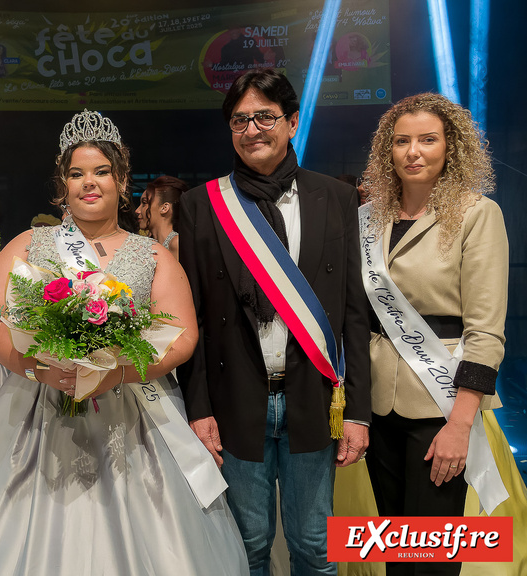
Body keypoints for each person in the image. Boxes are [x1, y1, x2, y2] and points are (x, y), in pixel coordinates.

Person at [0, 109, 249, 575]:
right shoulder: (29, 244)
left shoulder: (151, 254)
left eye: (101, 172)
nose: (89, 183)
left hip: (134, 411)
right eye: (77, 174)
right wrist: (40, 369)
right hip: (39, 408)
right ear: (63, 185)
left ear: (121, 180)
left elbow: (182, 334)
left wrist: (118, 371)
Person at [177, 68, 371, 575]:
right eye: (240, 120)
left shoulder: (336, 198)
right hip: (234, 401)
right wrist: (198, 409)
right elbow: (194, 318)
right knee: (247, 547)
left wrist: (358, 412)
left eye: (265, 116)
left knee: (315, 547)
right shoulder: (201, 205)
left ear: (292, 122)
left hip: (315, 398)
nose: (252, 130)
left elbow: (354, 313)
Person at [361, 93, 513, 576]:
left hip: (442, 405)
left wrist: (460, 425)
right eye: (401, 141)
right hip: (378, 404)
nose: (413, 152)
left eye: (428, 140)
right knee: (394, 553)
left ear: (452, 147)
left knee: (431, 559)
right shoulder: (370, 218)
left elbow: (486, 332)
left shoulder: (477, 213)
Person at [135, 175, 189, 260]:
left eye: (144, 203)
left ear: (164, 208)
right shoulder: (146, 243)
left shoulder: (175, 244)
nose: (137, 210)